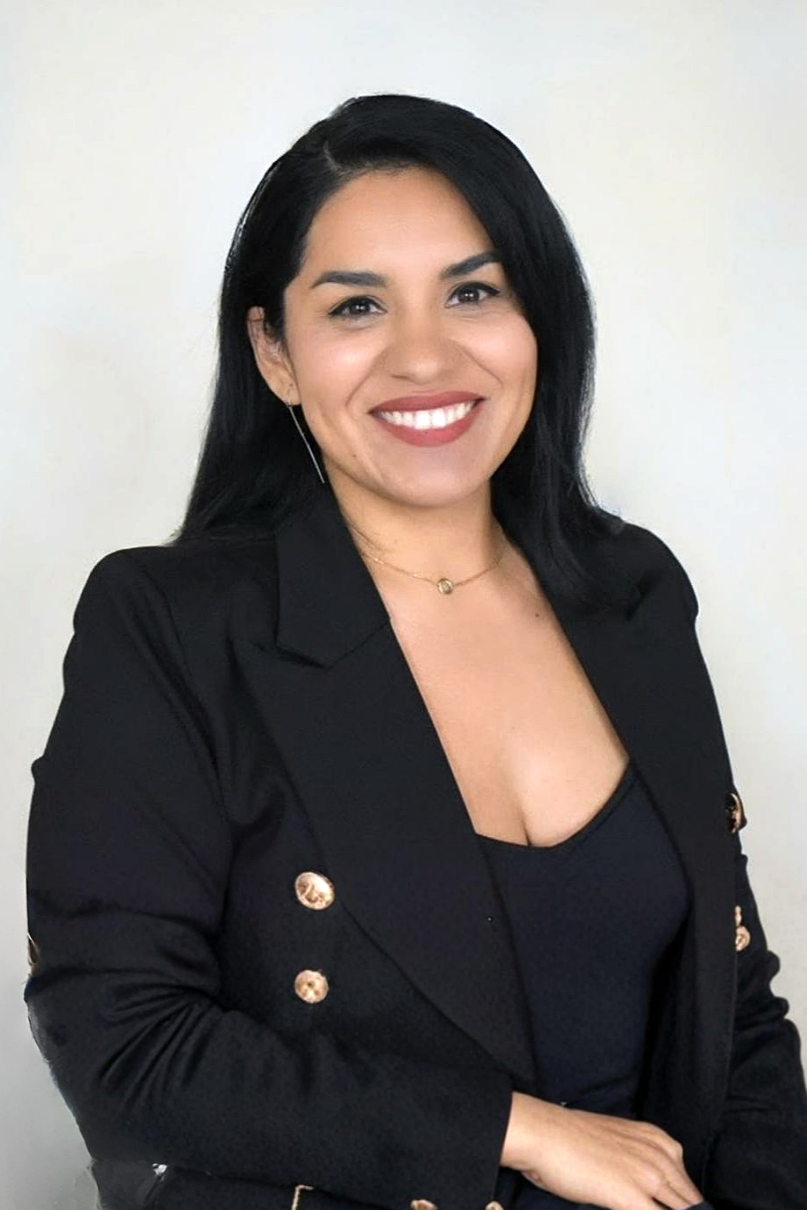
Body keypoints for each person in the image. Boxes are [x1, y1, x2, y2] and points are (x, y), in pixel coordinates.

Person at [24, 92, 807, 1210]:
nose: (426, 356)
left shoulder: (633, 592)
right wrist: (520, 1132)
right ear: (275, 353)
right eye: (356, 308)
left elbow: (737, 1010)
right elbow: (125, 1046)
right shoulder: (167, 625)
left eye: (474, 292)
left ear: (540, 319)